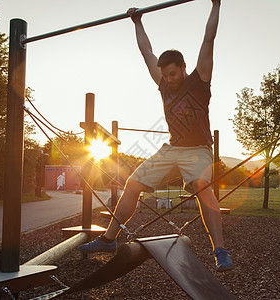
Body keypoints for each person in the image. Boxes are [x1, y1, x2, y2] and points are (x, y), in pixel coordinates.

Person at [79, 0, 233, 272]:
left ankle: (219, 250)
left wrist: (216, 4)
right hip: (171, 148)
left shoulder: (200, 80)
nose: (169, 79)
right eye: (165, 75)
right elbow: (145, 51)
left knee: (202, 186)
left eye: (173, 73)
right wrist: (137, 22)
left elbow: (210, 37)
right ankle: (108, 239)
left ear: (183, 67)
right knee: (133, 184)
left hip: (198, 150)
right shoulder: (163, 83)